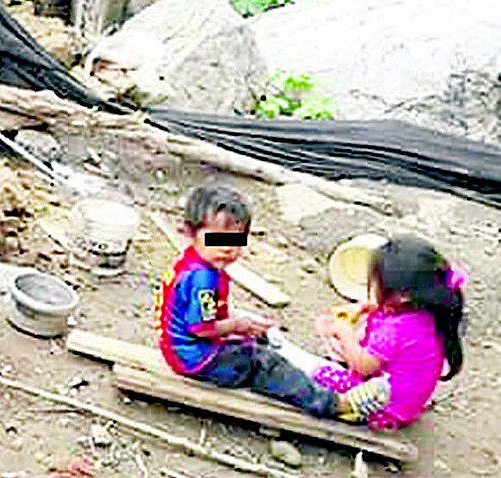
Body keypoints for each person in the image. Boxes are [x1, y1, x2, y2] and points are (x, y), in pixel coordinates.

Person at [154, 181, 390, 422]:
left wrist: (239, 326)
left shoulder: (193, 263)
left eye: (236, 241)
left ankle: (324, 382)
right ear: (190, 233)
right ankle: (335, 404)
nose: (228, 249)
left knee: (257, 340)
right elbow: (201, 328)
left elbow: (201, 316)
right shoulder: (203, 278)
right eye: (217, 239)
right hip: (197, 359)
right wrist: (238, 325)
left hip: (182, 350)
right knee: (265, 363)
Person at [301, 235, 466, 430]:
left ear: (402, 296)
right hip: (407, 404)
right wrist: (364, 307)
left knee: (319, 374)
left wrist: (344, 333)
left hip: (383, 406)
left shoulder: (396, 330)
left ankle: (351, 409)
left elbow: (363, 366)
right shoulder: (428, 313)